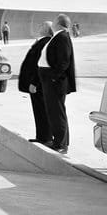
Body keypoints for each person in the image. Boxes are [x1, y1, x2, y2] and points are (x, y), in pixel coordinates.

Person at [37, 13, 76, 154]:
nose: (52, 23)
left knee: (57, 112)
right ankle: (60, 140)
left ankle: (60, 143)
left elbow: (63, 62)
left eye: (54, 21)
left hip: (55, 82)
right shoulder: (59, 36)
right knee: (55, 112)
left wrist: (53, 77)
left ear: (58, 23)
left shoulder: (62, 37)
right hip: (51, 81)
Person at [18, 21, 53, 145]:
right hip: (36, 83)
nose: (40, 27)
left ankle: (46, 137)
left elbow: (39, 65)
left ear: (48, 29)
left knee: (42, 110)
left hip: (38, 84)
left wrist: (34, 82)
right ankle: (42, 136)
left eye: (43, 25)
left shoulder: (45, 42)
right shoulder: (42, 41)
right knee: (38, 111)